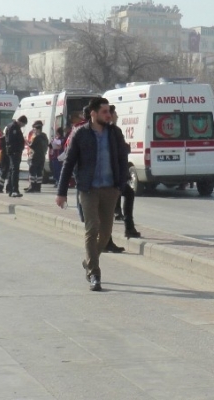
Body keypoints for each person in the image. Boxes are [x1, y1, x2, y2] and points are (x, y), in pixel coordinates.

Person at [56, 97, 128, 292]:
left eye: (109, 111)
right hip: (88, 189)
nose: (109, 115)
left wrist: (121, 185)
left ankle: (88, 260)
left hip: (110, 189)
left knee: (105, 234)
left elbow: (123, 160)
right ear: (93, 113)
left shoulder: (115, 133)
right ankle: (94, 273)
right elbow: (69, 163)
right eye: (104, 111)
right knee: (92, 227)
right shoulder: (80, 134)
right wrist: (61, 192)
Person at [110, 105, 140, 241]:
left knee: (123, 195)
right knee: (127, 194)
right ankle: (128, 227)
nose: (117, 115)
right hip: (115, 172)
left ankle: (127, 226)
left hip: (115, 172)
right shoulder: (113, 131)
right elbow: (120, 150)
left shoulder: (109, 130)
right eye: (114, 113)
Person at [5, 115, 28, 198]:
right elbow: (13, 140)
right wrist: (17, 149)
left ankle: (10, 189)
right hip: (15, 152)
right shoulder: (14, 127)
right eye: (23, 124)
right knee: (15, 171)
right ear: (21, 121)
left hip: (13, 151)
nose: (23, 126)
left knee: (12, 170)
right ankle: (14, 190)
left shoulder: (11, 126)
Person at [25, 120, 49, 193]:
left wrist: (26, 141)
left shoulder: (37, 137)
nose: (34, 131)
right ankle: (38, 187)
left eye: (35, 129)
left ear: (38, 129)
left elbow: (32, 146)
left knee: (32, 172)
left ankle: (32, 186)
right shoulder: (45, 137)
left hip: (35, 156)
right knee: (39, 172)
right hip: (42, 157)